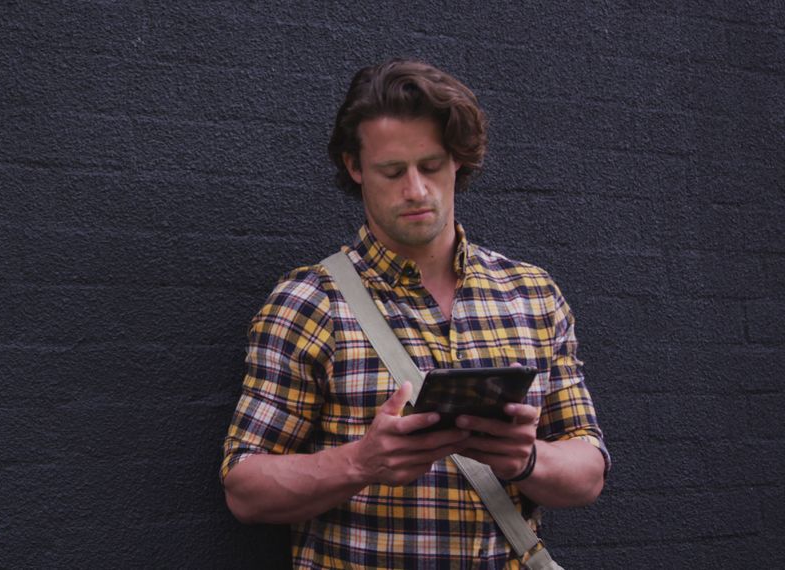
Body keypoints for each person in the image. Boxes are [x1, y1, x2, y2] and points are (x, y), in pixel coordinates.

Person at [220, 59, 609, 569]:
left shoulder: (531, 294)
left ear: (457, 163)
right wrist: (360, 462)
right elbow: (244, 489)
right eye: (391, 171)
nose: (416, 190)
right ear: (355, 167)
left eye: (430, 166)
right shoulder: (310, 302)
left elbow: (589, 470)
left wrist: (526, 459)